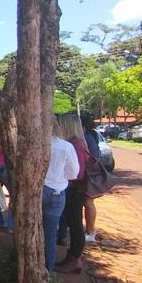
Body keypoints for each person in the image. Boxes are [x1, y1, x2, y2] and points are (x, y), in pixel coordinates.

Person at [42, 116, 80, 272]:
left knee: (32, 229)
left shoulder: (35, 143)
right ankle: (47, 272)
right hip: (57, 192)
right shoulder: (66, 147)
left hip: (38, 190)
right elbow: (73, 173)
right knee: (50, 235)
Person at [55, 113, 90, 274]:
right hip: (75, 189)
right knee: (73, 223)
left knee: (75, 225)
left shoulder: (75, 145)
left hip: (75, 189)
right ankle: (72, 257)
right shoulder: (76, 143)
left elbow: (78, 173)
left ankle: (75, 259)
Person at [80, 113, 100, 244]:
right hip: (89, 175)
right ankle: (90, 231)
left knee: (88, 203)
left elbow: (93, 157)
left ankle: (90, 231)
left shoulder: (88, 137)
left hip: (89, 175)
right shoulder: (91, 135)